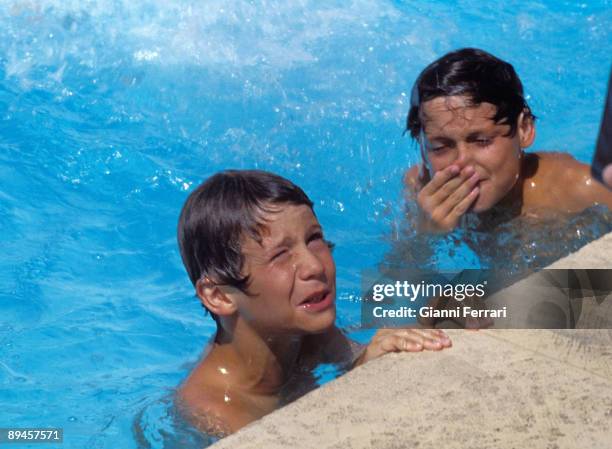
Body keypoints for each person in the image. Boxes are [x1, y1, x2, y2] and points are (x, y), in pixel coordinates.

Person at [176, 169, 451, 436]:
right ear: (219, 295)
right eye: (281, 255)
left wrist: (428, 315)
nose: (314, 266)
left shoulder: (305, 332)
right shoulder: (217, 414)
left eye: (314, 239)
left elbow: (363, 357)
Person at [404, 48, 612, 232]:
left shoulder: (580, 190)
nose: (461, 163)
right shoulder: (419, 189)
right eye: (440, 147)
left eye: (482, 141)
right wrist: (424, 237)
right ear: (423, 149)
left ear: (524, 129)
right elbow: (398, 275)